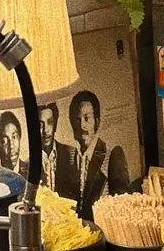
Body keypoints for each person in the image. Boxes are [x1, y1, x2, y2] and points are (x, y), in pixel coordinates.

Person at [55, 90, 131, 220]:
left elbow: (123, 206)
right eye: (77, 119)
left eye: (87, 118)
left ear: (97, 121)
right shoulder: (71, 158)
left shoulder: (112, 153)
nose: (82, 125)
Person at [37, 100, 66, 192]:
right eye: (40, 125)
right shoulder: (27, 164)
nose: (46, 130)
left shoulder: (71, 154)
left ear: (55, 124)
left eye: (50, 122)